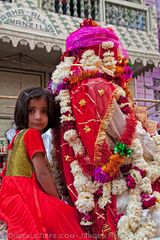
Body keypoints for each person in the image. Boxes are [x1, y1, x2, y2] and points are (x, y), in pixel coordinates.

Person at [49, 19, 160, 240]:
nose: (119, 58)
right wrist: (152, 140)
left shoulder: (67, 88)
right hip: (116, 185)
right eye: (112, 50)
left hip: (85, 187)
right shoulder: (99, 86)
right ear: (100, 50)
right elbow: (126, 134)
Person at [0, 87, 93, 240]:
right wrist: (58, 200)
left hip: (10, 193)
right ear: (23, 112)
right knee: (66, 213)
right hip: (25, 191)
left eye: (44, 111)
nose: (38, 117)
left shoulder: (17, 135)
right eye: (31, 111)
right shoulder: (31, 134)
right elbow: (42, 173)